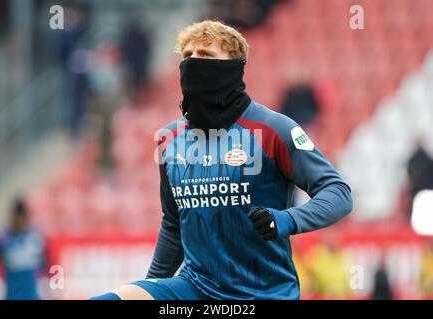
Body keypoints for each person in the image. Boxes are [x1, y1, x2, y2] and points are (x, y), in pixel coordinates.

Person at [91, 20, 352, 300]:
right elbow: (173, 224)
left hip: (262, 292)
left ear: (235, 65)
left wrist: (285, 220)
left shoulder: (274, 129)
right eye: (188, 56)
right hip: (194, 286)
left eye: (206, 55)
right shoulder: (170, 138)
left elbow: (338, 193)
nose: (193, 63)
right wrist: (152, 285)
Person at [0, 198, 47, 300]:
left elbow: (47, 265)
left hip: (32, 295)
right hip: (11, 295)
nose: (19, 221)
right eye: (16, 217)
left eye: (21, 218)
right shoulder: (3, 238)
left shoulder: (35, 238)